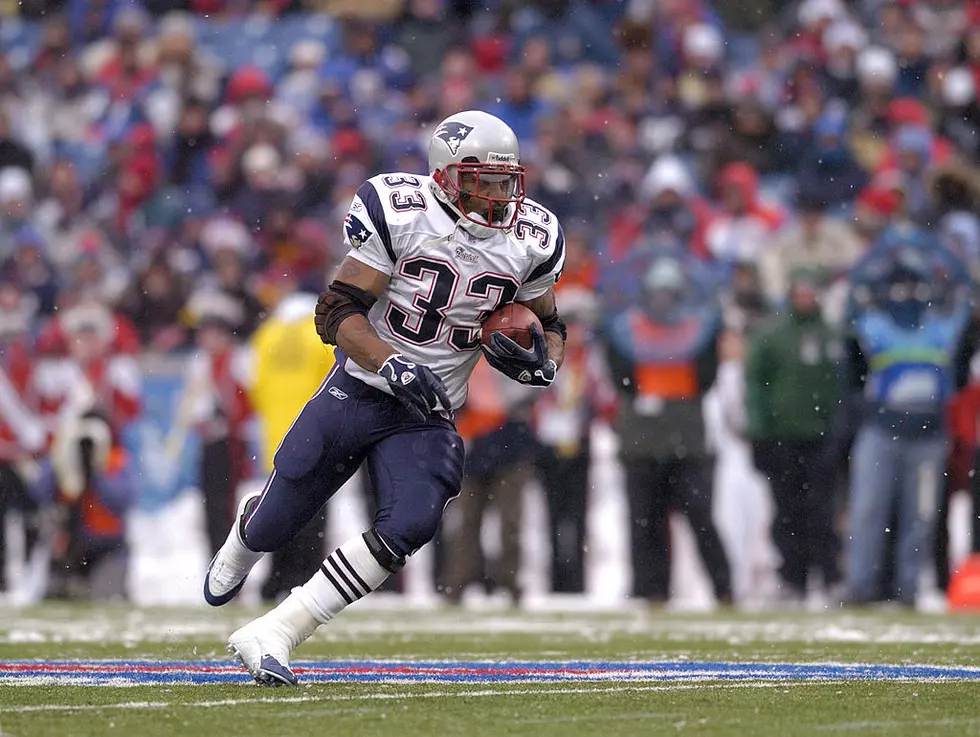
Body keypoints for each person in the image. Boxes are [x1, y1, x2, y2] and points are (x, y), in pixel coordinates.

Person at [203, 110, 567, 686]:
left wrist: (542, 361)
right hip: (361, 388)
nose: (499, 195)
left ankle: (278, 630)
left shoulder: (531, 239)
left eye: (506, 180)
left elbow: (551, 325)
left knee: (413, 520)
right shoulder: (401, 213)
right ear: (446, 177)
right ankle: (249, 535)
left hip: (428, 411)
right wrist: (391, 363)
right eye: (483, 180)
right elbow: (337, 311)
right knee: (280, 519)